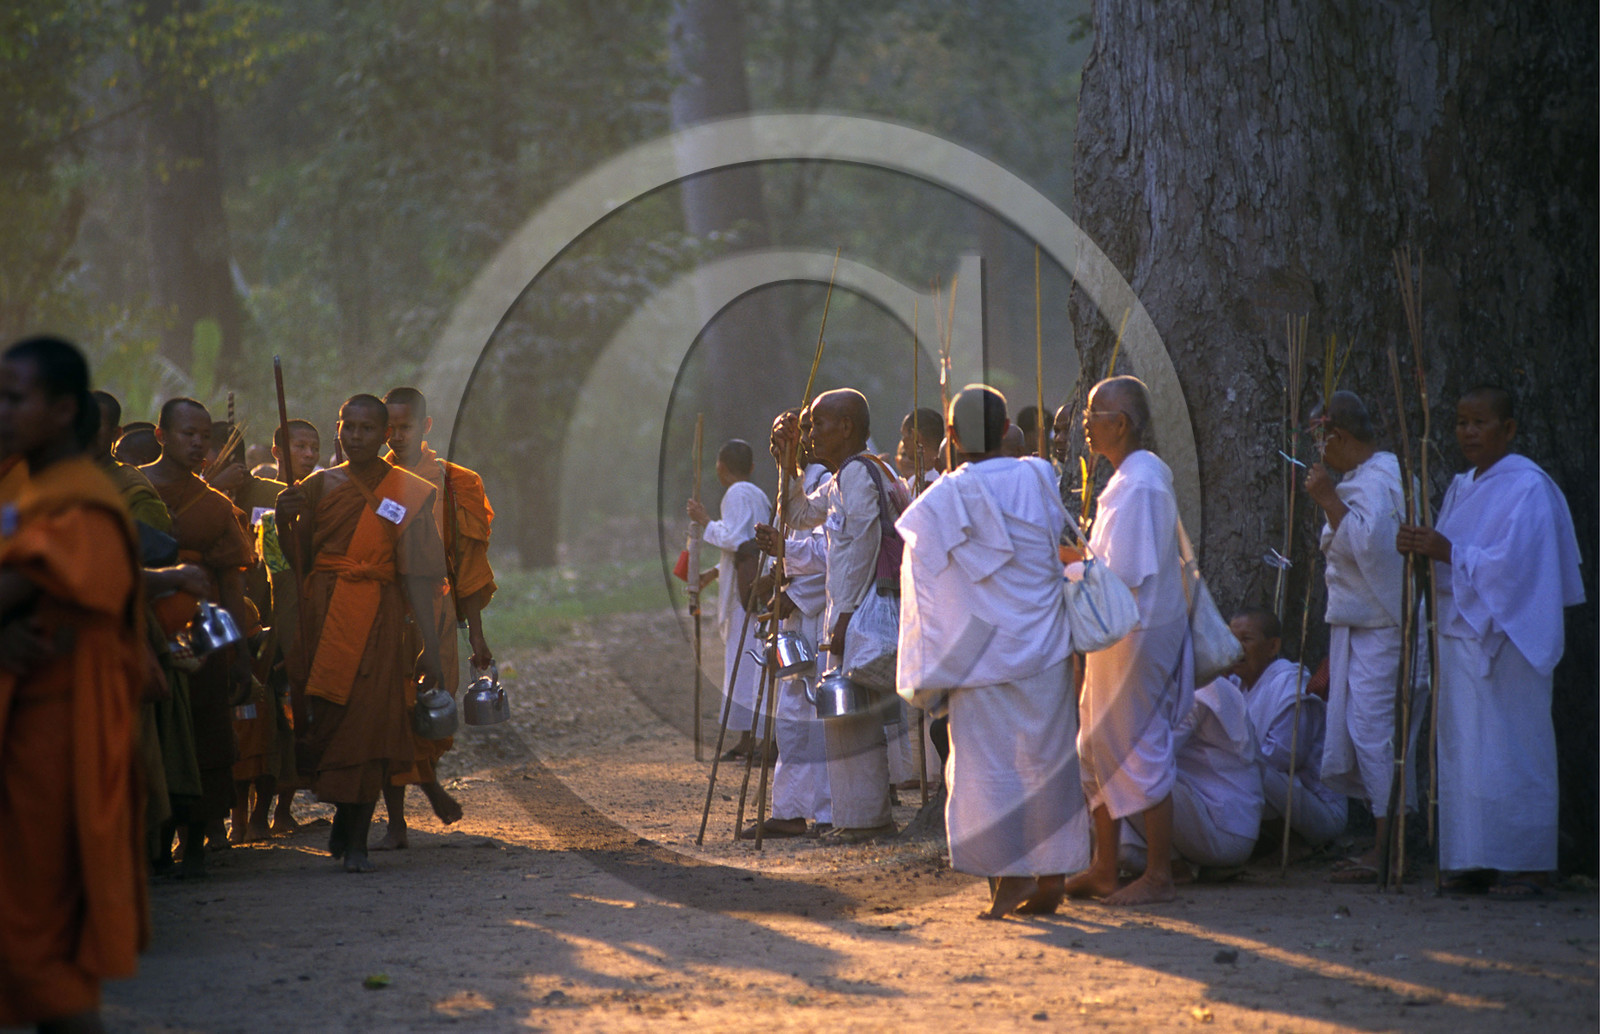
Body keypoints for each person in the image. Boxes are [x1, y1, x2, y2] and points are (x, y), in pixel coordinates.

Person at [0, 336, 148, 1032]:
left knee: (36, 934)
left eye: (13, 399)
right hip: (26, 717)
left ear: (62, 410)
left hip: (59, 731)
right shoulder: (31, 489)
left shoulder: (79, 501)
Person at [897, 385, 1086, 917]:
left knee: (986, 770)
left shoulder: (934, 505)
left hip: (976, 655)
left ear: (949, 438)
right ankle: (1051, 875)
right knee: (1048, 764)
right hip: (1045, 646)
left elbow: (927, 593)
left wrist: (930, 666)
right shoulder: (1038, 475)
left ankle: (1008, 880)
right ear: (1006, 431)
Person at [1397, 386, 1583, 896]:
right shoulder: (1461, 485)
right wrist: (1422, 548)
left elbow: (1521, 568)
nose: (1468, 432)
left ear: (1509, 430)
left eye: (1480, 423)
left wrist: (1447, 551)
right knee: (1465, 750)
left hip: (1508, 637)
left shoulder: (1528, 488)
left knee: (1513, 746)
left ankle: (1528, 863)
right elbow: (1450, 554)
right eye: (1460, 422)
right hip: (1462, 634)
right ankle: (1475, 856)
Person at [275, 395, 446, 873]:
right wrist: (286, 517)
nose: (356, 437)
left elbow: (417, 575)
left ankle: (357, 842)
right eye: (348, 427)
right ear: (339, 430)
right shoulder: (315, 486)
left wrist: (429, 647)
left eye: (366, 429)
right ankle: (346, 819)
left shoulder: (406, 490)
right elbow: (296, 558)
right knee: (332, 718)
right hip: (327, 615)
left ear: (384, 434)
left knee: (371, 724)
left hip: (380, 618)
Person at [1063, 375, 1190, 906]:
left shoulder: (1141, 483)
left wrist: (1070, 561)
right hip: (1115, 634)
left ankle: (1158, 875)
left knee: (1140, 747)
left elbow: (1123, 575)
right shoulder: (1128, 478)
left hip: (1135, 633)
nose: (1084, 425)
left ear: (1120, 424)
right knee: (1093, 745)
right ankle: (1104, 866)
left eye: (1093, 415)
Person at [764, 389, 905, 843]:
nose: (810, 435)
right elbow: (803, 516)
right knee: (848, 720)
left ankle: (865, 820)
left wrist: (842, 621)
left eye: (817, 425)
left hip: (859, 615)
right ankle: (856, 818)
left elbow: (862, 549)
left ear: (846, 427)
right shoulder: (844, 477)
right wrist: (787, 470)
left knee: (854, 720)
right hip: (846, 615)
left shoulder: (863, 475)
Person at [376, 386, 497, 848]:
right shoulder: (364, 477)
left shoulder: (456, 482)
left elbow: (467, 565)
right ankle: (397, 819)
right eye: (388, 427)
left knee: (430, 711)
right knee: (388, 708)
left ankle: (424, 785)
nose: (395, 436)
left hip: (436, 608)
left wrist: (477, 637)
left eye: (404, 427)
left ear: (425, 427)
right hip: (382, 607)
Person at [141, 398, 256, 876]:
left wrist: (238, 650)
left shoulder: (214, 506)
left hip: (202, 631)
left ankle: (195, 847)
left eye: (204, 436)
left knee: (207, 731)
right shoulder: (133, 488)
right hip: (145, 628)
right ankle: (156, 843)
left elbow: (231, 582)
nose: (197, 443)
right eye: (187, 434)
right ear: (161, 435)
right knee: (156, 732)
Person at [1304, 390, 1413, 880]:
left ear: (1338, 437)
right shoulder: (1364, 480)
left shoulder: (1381, 479)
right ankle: (1383, 840)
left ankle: (1388, 850)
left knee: (1375, 732)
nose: (1318, 452)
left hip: (1383, 626)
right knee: (1364, 731)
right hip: (1360, 626)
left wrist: (1328, 500)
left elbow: (1377, 552)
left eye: (1319, 441)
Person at [744, 409, 833, 838]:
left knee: (824, 719)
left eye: (786, 439)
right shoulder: (791, 482)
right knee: (792, 718)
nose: (777, 447)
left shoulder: (824, 482)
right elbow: (790, 548)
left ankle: (832, 812)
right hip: (798, 617)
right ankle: (790, 810)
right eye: (774, 440)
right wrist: (778, 572)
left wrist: (790, 589)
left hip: (823, 615)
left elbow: (829, 556)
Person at [1228, 608, 1347, 853]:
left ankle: (1297, 842)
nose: (1236, 648)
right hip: (1281, 797)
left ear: (1273, 646)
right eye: (1231, 639)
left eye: (1246, 640)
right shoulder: (1235, 684)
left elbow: (1285, 759)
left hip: (1320, 808)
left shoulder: (1288, 683)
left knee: (1249, 769)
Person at [1123, 674, 1263, 877]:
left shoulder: (1201, 688)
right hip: (1203, 824)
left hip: (1225, 830)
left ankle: (1170, 866)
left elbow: (1149, 759)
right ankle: (1183, 866)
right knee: (1122, 851)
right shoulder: (1170, 683)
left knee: (1128, 775)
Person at [686, 439, 769, 760]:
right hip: (751, 584)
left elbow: (736, 540)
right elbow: (746, 545)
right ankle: (748, 738)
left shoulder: (736, 494)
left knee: (745, 662)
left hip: (744, 595)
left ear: (720, 468)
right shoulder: (758, 493)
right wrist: (714, 572)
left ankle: (761, 740)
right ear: (750, 467)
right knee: (745, 662)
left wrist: (706, 521)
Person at [895, 407, 944, 489]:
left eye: (904, 436)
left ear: (916, 436)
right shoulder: (913, 482)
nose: (903, 442)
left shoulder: (943, 476)